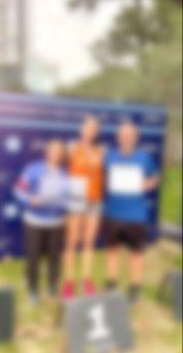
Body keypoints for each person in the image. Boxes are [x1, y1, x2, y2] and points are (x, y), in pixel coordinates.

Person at [103, 121, 159, 302]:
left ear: (136, 138)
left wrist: (147, 184)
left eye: (130, 135)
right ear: (118, 137)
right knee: (112, 251)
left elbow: (155, 178)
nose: (126, 138)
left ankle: (135, 289)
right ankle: (111, 285)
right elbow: (103, 177)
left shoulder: (145, 158)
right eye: (123, 135)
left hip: (136, 215)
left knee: (136, 253)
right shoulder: (109, 156)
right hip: (113, 212)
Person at [14, 139, 69, 304]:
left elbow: (69, 197)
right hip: (35, 222)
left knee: (54, 258)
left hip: (56, 223)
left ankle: (52, 288)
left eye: (59, 152)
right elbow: (19, 190)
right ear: (48, 153)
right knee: (34, 257)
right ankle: (33, 290)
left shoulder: (64, 174)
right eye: (53, 151)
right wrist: (30, 200)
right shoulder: (33, 170)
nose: (56, 155)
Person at [62, 116, 105, 299]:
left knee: (89, 242)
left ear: (96, 132)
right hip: (76, 201)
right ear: (82, 130)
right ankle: (69, 282)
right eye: (87, 128)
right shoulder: (72, 148)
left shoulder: (101, 150)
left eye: (94, 129)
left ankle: (86, 280)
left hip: (94, 201)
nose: (90, 131)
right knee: (72, 242)